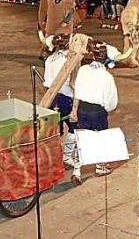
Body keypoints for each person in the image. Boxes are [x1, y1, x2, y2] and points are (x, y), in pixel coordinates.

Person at [70, 40, 118, 185]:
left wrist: (74, 110)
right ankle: (100, 167)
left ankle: (76, 171)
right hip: (98, 112)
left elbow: (77, 90)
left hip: (82, 109)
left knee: (82, 139)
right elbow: (111, 102)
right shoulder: (107, 77)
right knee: (100, 139)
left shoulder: (84, 69)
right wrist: (106, 109)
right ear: (108, 60)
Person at [43, 34, 77, 138]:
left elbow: (46, 80)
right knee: (74, 127)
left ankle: (56, 149)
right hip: (65, 98)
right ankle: (67, 153)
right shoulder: (71, 59)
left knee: (56, 129)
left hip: (50, 97)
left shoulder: (50, 59)